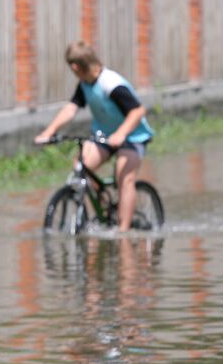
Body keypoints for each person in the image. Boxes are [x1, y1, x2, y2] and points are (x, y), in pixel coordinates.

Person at [33, 40, 155, 232]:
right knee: (81, 166)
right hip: (104, 136)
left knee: (124, 175)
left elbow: (137, 111)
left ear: (75, 67)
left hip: (132, 137)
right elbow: (71, 108)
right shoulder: (85, 84)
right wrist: (49, 132)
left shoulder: (111, 84)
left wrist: (120, 134)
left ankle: (123, 233)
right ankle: (104, 210)